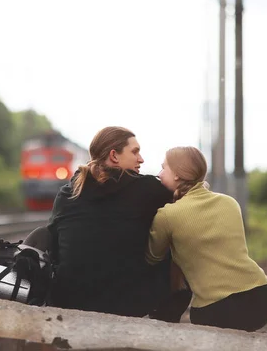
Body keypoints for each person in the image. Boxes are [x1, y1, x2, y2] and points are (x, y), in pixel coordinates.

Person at [39, 126, 186, 318]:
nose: (141, 159)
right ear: (114, 156)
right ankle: (164, 322)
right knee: (173, 238)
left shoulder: (67, 193)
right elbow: (188, 204)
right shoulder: (148, 190)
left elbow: (54, 248)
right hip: (128, 306)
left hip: (69, 301)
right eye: (135, 152)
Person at [146, 146, 267, 332]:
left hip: (215, 309)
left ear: (176, 174)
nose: (159, 174)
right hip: (261, 296)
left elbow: (152, 257)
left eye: (163, 168)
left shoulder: (167, 215)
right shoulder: (229, 202)